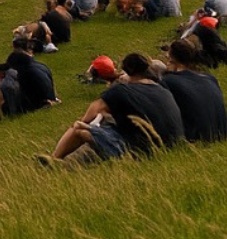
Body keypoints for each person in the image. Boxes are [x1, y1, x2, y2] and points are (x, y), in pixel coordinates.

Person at [43, 52, 185, 165]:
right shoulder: (163, 89)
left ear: (126, 73)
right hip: (173, 147)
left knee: (80, 128)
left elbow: (88, 117)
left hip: (143, 152)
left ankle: (54, 160)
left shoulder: (121, 91)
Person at [160, 37, 227, 142]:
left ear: (171, 59)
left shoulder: (169, 81)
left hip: (196, 138)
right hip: (221, 134)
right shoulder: (210, 78)